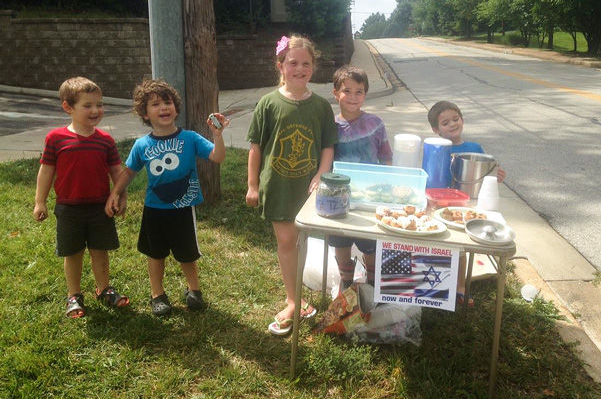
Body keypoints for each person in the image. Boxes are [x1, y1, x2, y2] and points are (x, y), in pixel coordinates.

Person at [105, 79, 228, 317]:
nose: (163, 108)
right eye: (155, 104)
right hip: (155, 209)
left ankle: (194, 290)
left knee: (187, 253)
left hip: (183, 208)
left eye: (167, 102)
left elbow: (217, 157)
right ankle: (157, 294)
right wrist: (115, 192)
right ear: (145, 113)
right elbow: (129, 171)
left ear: (175, 107)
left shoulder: (190, 138)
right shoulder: (142, 145)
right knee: (155, 253)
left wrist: (218, 135)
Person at [246, 35, 338, 336]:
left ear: (313, 68)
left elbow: (327, 147)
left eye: (306, 63)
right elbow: (256, 147)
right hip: (278, 186)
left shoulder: (322, 107)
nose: (299, 68)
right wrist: (252, 185)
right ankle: (293, 300)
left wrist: (321, 176)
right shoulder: (268, 103)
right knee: (286, 242)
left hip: (309, 188)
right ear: (280, 66)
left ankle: (299, 297)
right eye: (293, 62)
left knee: (303, 241)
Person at [33, 76, 129, 318]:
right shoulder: (56, 138)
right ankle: (74, 295)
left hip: (100, 207)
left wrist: (121, 196)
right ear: (68, 107)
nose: (96, 110)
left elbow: (117, 171)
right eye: (88, 105)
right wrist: (40, 201)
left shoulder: (105, 140)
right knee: (73, 253)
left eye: (99, 104)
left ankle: (104, 289)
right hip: (69, 208)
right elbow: (46, 171)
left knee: (100, 251)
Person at [427, 100, 506, 306]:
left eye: (456, 119)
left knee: (461, 247)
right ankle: (436, 284)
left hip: (467, 206)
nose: (453, 124)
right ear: (436, 130)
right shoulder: (435, 149)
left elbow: (486, 172)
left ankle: (460, 287)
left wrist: (494, 175)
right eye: (445, 123)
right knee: (442, 243)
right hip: (441, 205)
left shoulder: (474, 148)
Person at [330, 65, 392, 292]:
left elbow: (386, 157)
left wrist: (387, 190)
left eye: (359, 91)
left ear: (365, 94)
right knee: (340, 239)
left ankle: (373, 280)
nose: (353, 97)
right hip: (339, 196)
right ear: (335, 93)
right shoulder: (331, 127)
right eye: (347, 91)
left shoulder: (375, 123)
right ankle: (346, 279)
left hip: (371, 195)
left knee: (370, 242)